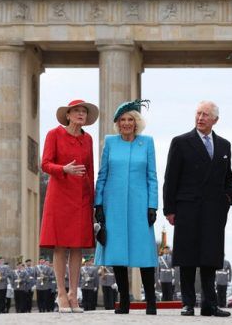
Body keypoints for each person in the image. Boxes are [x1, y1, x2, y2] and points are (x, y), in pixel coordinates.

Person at [163, 100, 232, 317]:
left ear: (215, 120)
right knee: (187, 258)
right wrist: (169, 209)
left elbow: (227, 178)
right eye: (198, 114)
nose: (200, 118)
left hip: (214, 210)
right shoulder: (181, 142)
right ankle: (187, 303)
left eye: (205, 115)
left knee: (210, 258)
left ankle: (209, 304)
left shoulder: (224, 145)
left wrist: (228, 198)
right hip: (187, 208)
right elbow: (171, 178)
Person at [95, 99, 159, 315]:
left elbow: (152, 177)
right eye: (122, 119)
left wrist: (153, 205)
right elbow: (102, 175)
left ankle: (151, 301)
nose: (126, 123)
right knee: (117, 252)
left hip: (140, 205)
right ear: (117, 123)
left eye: (130, 119)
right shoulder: (110, 142)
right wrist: (98, 204)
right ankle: (124, 301)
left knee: (144, 253)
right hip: (114, 204)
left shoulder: (147, 142)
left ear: (136, 122)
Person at [40, 99, 99, 313]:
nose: (81, 114)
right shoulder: (54, 134)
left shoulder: (88, 139)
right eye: (76, 111)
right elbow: (45, 163)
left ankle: (74, 293)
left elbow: (90, 170)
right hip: (60, 195)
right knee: (60, 245)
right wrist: (64, 169)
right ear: (67, 114)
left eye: (84, 111)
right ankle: (61, 294)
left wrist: (93, 201)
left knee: (78, 246)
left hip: (82, 197)